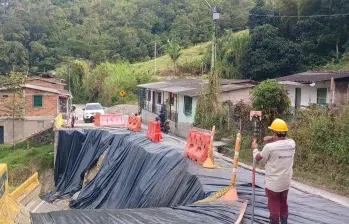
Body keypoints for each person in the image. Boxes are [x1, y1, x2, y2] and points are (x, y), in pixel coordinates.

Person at [251, 118, 296, 224]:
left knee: (274, 207)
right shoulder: (292, 144)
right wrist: (273, 138)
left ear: (274, 132)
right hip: (286, 182)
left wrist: (255, 148)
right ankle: (284, 222)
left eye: (273, 133)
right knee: (283, 203)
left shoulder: (269, 147)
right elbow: (284, 140)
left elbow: (258, 158)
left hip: (273, 185)